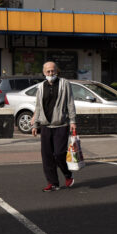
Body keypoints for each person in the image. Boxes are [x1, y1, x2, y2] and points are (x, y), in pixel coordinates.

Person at [31, 61, 77, 191]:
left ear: (57, 71)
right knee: (47, 156)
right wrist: (35, 125)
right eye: (48, 71)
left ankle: (68, 175)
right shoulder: (40, 87)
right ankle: (53, 183)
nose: (51, 73)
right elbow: (38, 107)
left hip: (61, 124)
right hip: (46, 126)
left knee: (59, 153)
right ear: (44, 73)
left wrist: (73, 121)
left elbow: (70, 103)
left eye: (53, 71)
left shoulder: (65, 84)